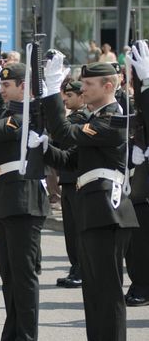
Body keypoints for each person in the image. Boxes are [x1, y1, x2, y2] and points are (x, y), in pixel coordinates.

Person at [41, 56, 138, 341]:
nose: (83, 88)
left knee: (106, 294)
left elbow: (65, 132)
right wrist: (44, 148)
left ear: (109, 86)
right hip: (92, 208)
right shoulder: (96, 118)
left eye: (88, 84)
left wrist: (50, 89)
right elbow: (71, 161)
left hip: (108, 210)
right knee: (93, 292)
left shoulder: (114, 118)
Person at [0, 62, 50, 341]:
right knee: (10, 277)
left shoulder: (27, 113)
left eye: (6, 85)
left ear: (23, 87)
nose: (1, 89)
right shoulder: (9, 113)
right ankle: (13, 332)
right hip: (6, 198)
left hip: (23, 200)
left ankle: (26, 335)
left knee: (24, 277)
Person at [55, 80, 89, 288]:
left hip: (77, 179)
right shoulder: (73, 118)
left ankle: (81, 270)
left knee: (78, 229)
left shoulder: (81, 118)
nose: (66, 99)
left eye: (70, 95)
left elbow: (64, 139)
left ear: (81, 96)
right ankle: (75, 267)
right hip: (68, 179)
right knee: (70, 229)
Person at [124, 41, 149, 307]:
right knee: (139, 226)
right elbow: (141, 120)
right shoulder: (140, 89)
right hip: (143, 168)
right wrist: (138, 145)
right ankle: (141, 282)